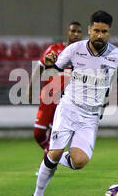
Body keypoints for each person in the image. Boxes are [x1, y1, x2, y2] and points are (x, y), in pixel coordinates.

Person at [27, 10, 118, 196]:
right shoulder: (75, 49)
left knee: (79, 162)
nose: (99, 35)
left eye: (104, 31)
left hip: (91, 116)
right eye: (96, 30)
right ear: (89, 30)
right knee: (54, 152)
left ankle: (55, 154)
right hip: (68, 108)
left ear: (109, 32)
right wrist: (49, 64)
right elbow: (54, 71)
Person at [28, 22, 83, 161]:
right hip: (48, 98)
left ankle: (46, 164)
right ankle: (55, 155)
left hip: (66, 101)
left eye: (78, 32)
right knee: (38, 133)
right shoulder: (54, 49)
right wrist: (30, 87)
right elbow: (39, 67)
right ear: (68, 33)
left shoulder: (82, 55)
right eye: (73, 31)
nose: (76, 34)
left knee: (55, 134)